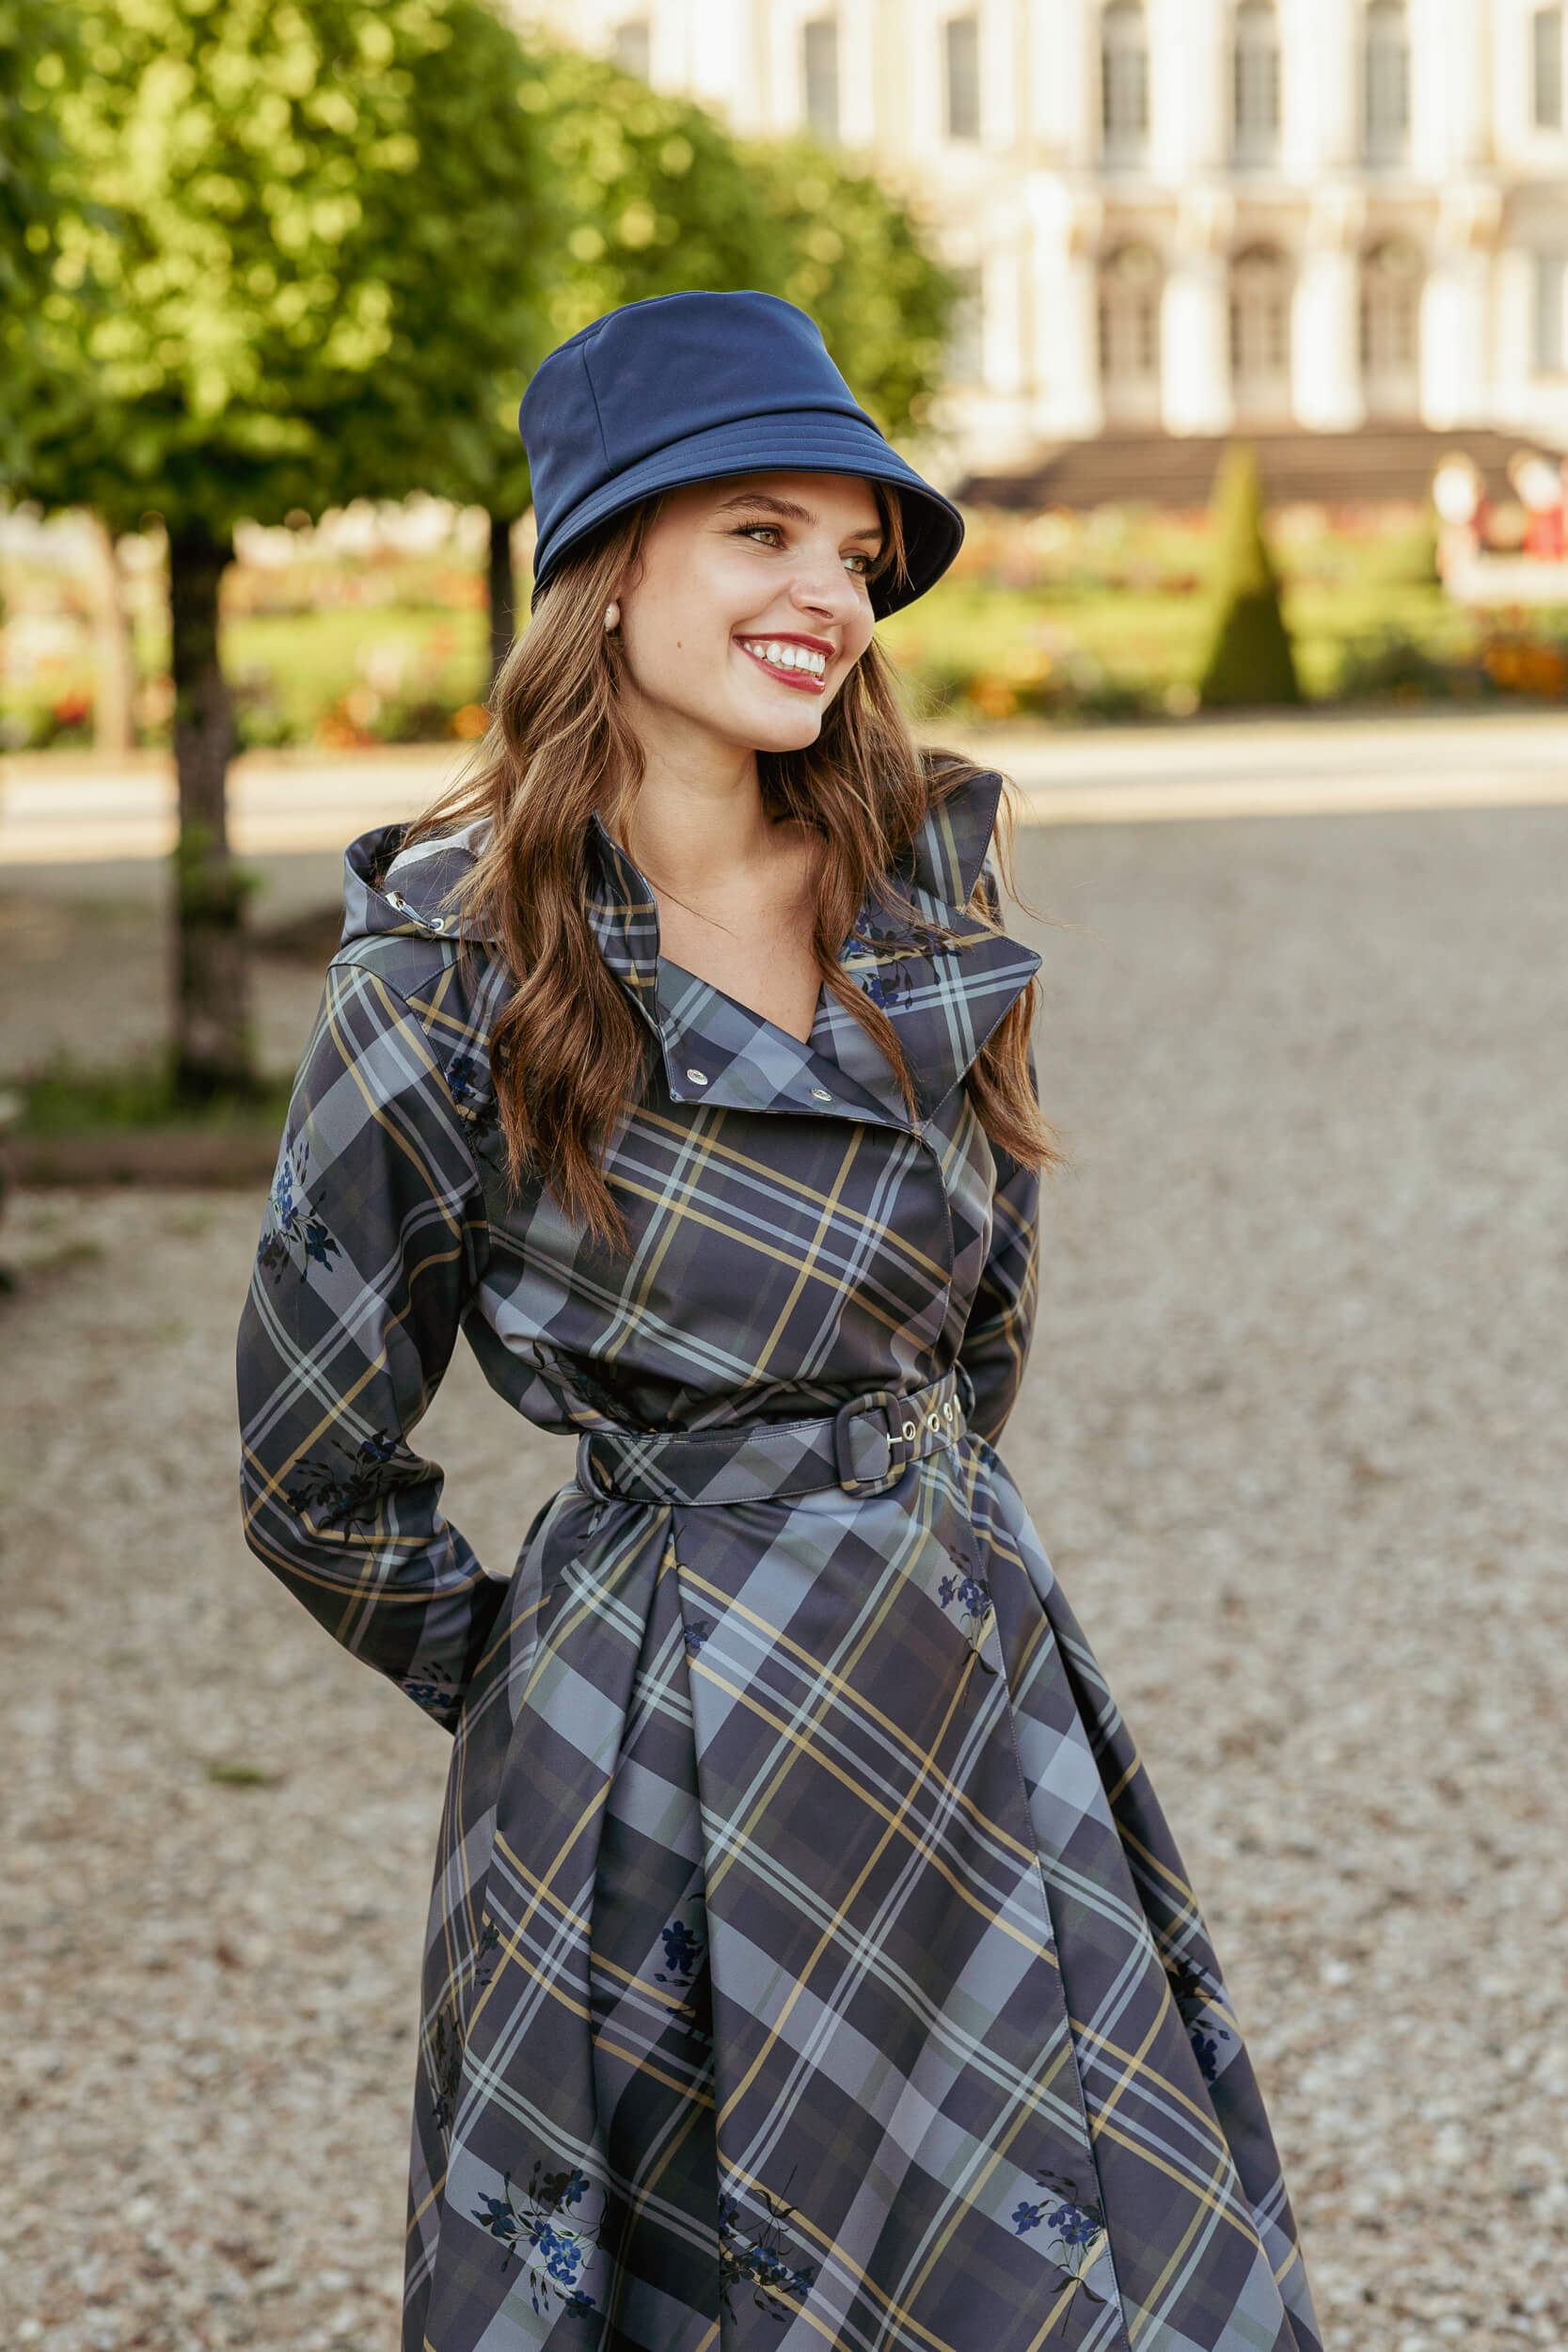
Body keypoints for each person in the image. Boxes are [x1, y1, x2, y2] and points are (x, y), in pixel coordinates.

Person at [236, 291, 1320, 2352]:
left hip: (968, 1689)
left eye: (855, 552)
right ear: (604, 561)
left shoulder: (922, 915)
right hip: (645, 1739)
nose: (827, 593)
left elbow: (977, 1341)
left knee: (1075, 2267)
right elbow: (312, 1469)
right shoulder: (443, 975)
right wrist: (547, 1674)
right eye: (759, 531)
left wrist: (898, 1516)